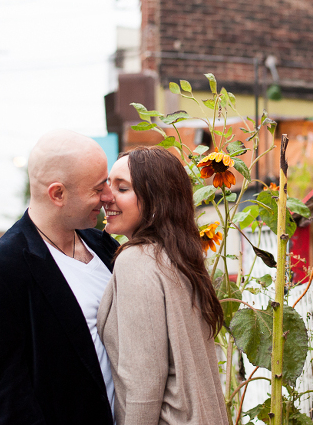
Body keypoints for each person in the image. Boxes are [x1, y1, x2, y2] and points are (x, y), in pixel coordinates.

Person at [0, 129, 119, 425]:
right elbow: (4, 402)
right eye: (98, 188)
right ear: (58, 194)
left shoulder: (105, 246)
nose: (108, 196)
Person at [98, 146, 228, 425]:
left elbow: (142, 384)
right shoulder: (181, 258)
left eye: (122, 189)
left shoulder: (136, 260)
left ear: (155, 199)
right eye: (108, 186)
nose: (106, 197)